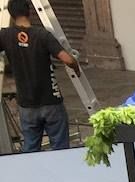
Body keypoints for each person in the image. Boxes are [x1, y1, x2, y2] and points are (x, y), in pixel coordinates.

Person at [0, 0, 78, 152]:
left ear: (10, 13)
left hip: (27, 104)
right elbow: (67, 59)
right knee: (60, 149)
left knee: (30, 149)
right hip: (51, 101)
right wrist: (76, 67)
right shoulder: (42, 35)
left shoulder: (5, 36)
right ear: (29, 11)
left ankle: (33, 175)